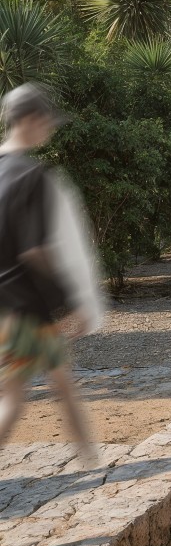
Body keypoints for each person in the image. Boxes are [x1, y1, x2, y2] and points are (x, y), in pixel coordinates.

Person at [0, 83, 101, 466]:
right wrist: (72, 302)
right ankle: (89, 456)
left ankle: (89, 456)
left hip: (8, 303)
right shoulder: (32, 174)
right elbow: (34, 251)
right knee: (12, 399)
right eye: (45, 120)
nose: (50, 128)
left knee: (62, 380)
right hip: (27, 306)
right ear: (28, 120)